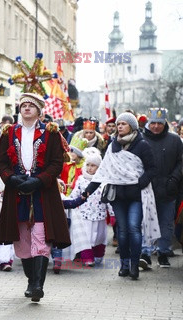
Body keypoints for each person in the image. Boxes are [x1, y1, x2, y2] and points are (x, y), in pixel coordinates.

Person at [0, 92, 70, 302]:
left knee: (41, 237)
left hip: (43, 193)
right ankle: (31, 279)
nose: (26, 108)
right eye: (23, 105)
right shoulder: (9, 133)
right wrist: (11, 178)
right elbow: (0, 162)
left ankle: (37, 284)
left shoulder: (51, 133)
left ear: (39, 110)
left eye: (31, 105)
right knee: (23, 242)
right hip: (16, 191)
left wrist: (39, 180)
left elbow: (56, 163)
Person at [84, 112, 159, 280]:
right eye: (118, 124)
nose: (119, 127)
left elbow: (152, 169)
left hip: (136, 195)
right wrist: (88, 190)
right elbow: (103, 171)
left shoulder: (142, 145)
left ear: (131, 126)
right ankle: (124, 265)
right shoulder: (112, 146)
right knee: (123, 231)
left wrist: (140, 182)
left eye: (123, 124)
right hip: (118, 195)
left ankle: (134, 265)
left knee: (134, 228)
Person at [140, 108, 182, 269]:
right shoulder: (141, 139)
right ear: (148, 123)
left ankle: (163, 252)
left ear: (165, 123)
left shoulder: (175, 140)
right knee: (146, 222)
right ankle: (146, 252)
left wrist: (174, 178)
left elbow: (180, 162)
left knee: (166, 223)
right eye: (153, 123)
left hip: (168, 188)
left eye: (159, 123)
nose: (156, 126)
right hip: (147, 189)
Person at [68, 148, 113, 267]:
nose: (90, 168)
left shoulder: (104, 181)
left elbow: (108, 198)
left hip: (99, 214)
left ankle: (98, 255)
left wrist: (112, 214)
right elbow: (75, 195)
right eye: (88, 165)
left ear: (99, 168)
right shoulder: (81, 179)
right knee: (86, 237)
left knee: (100, 236)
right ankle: (87, 258)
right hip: (84, 214)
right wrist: (68, 203)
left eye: (93, 166)